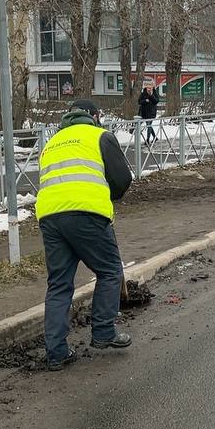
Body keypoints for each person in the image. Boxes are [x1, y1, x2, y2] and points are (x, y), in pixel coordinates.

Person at [35, 99, 133, 368]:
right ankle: (103, 332)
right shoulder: (100, 136)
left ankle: (56, 352)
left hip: (50, 217)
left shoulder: (51, 144)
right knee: (110, 270)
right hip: (87, 214)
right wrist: (107, 196)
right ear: (94, 116)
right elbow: (123, 178)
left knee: (59, 284)